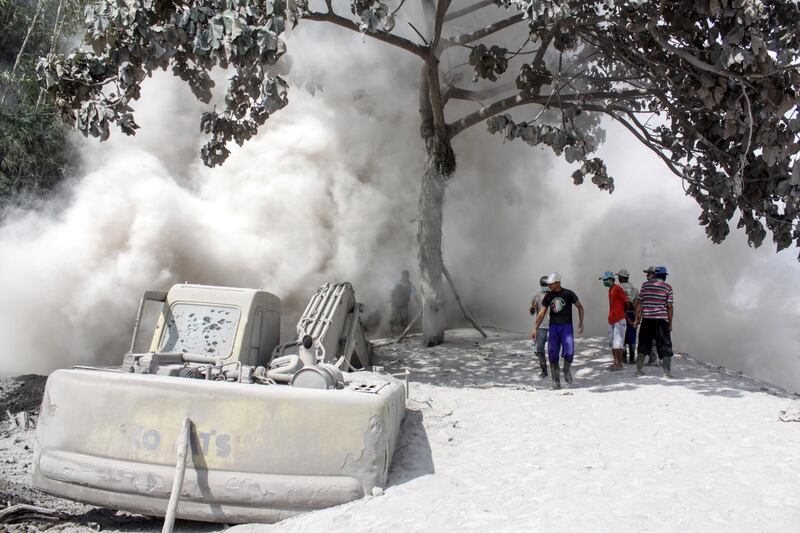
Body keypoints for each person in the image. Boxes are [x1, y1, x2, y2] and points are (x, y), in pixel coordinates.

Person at [532, 272, 585, 389]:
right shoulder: (548, 296)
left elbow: (580, 307)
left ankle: (566, 369)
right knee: (552, 353)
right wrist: (535, 328)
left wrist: (581, 322)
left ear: (557, 283)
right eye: (548, 284)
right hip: (554, 328)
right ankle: (556, 381)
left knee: (569, 352)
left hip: (566, 327)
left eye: (551, 284)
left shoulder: (569, 294)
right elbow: (541, 313)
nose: (549, 286)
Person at [635, 266, 675, 378]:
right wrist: (670, 323)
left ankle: (638, 371)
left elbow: (639, 303)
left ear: (655, 275)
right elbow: (670, 306)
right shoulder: (668, 287)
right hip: (662, 321)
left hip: (647, 319)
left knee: (643, 343)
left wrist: (637, 318)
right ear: (664, 276)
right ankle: (667, 373)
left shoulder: (645, 285)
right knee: (666, 345)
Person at [599, 271, 628, 370]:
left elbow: (626, 302)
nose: (604, 282)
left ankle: (619, 364)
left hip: (619, 319)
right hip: (612, 319)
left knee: (618, 343)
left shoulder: (618, 289)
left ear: (611, 280)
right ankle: (615, 362)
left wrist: (622, 313)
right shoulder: (610, 289)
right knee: (612, 343)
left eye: (605, 280)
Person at [529, 276, 550, 379]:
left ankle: (556, 369)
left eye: (546, 285)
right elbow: (532, 313)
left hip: (552, 327)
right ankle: (544, 371)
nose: (545, 286)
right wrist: (532, 308)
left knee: (553, 350)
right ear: (540, 285)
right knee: (539, 350)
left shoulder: (554, 296)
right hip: (541, 328)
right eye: (543, 285)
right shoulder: (536, 297)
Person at [616, 269, 639, 364]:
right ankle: (632, 358)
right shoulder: (634, 288)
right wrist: (637, 317)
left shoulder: (617, 287)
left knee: (622, 335)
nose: (618, 278)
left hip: (621, 313)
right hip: (632, 312)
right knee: (632, 334)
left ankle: (624, 357)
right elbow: (638, 303)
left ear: (621, 277)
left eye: (618, 276)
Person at [389, 270, 419, 335]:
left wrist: (418, 304)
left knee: (404, 318)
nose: (402, 277)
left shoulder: (410, 285)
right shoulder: (397, 283)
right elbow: (391, 291)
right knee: (393, 317)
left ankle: (404, 333)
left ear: (407, 276)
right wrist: (391, 298)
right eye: (402, 276)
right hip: (395, 303)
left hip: (404, 304)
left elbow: (415, 295)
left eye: (404, 276)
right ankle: (391, 332)